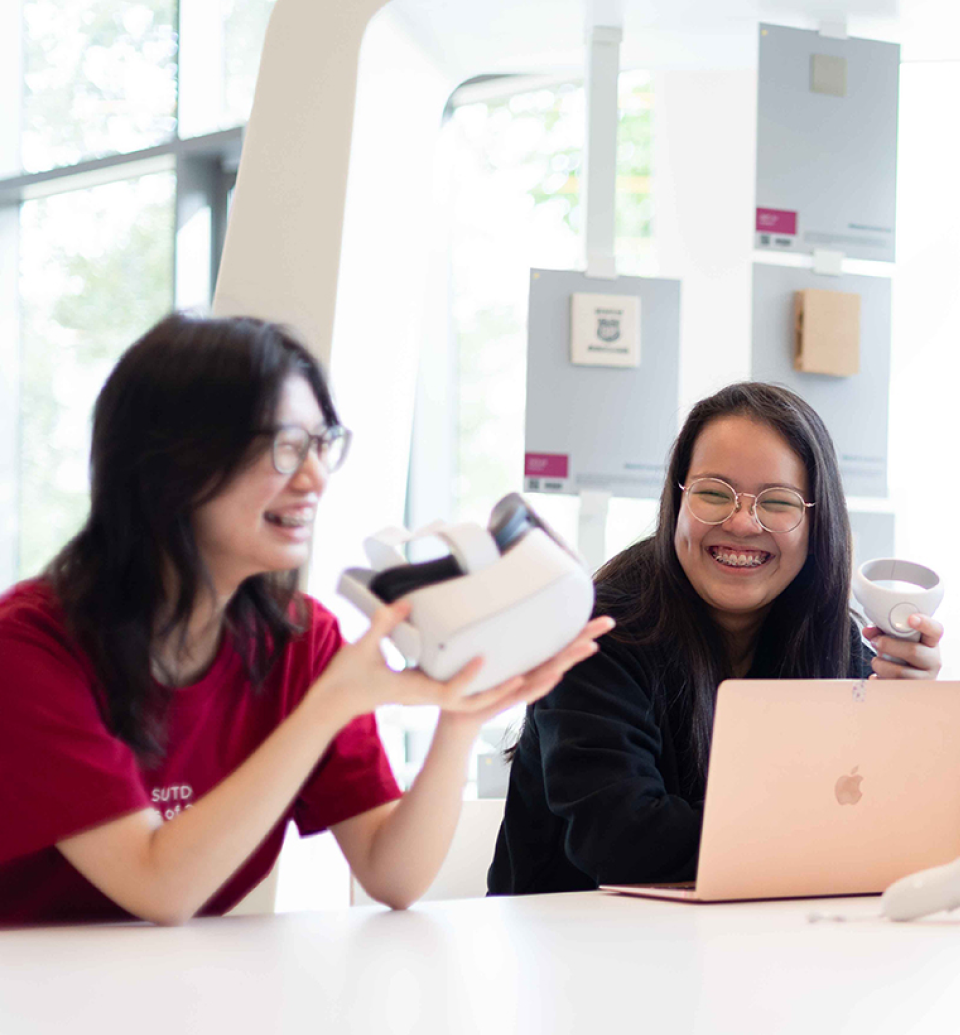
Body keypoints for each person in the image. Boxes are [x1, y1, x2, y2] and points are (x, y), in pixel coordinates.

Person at [0, 314, 607, 926]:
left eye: (321, 445)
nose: (314, 477)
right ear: (169, 464)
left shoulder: (299, 640)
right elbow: (159, 887)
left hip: (173, 986)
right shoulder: (28, 646)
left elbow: (392, 874)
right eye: (284, 447)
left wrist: (461, 716)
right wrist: (325, 709)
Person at [489, 382, 945, 893]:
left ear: (817, 524)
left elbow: (890, 829)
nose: (742, 522)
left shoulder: (835, 642)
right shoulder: (595, 634)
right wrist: (814, 826)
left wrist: (906, 724)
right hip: (573, 950)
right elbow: (623, 842)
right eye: (713, 493)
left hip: (754, 947)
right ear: (677, 500)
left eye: (778, 501)